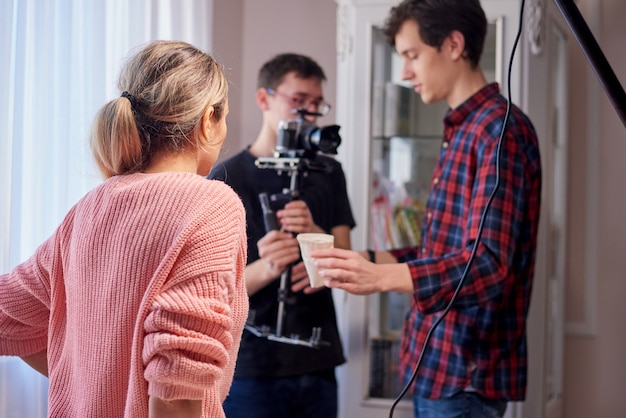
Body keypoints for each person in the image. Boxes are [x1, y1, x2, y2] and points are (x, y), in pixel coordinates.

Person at [311, 1, 542, 417]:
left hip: (464, 376)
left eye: (412, 56)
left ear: (454, 45)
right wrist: (361, 261)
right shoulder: (463, 127)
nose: (403, 73)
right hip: (434, 368)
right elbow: (442, 250)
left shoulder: (500, 130)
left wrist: (380, 277)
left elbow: (488, 265)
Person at [0, 40, 249, 418]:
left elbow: (8, 316)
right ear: (208, 120)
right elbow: (177, 387)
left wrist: (93, 383)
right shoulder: (212, 204)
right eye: (224, 115)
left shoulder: (90, 207)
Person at [208, 53, 355, 418]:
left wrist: (317, 238)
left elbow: (349, 262)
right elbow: (214, 293)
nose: (307, 114)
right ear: (264, 99)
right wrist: (270, 266)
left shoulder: (329, 173)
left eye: (316, 104)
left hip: (317, 359)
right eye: (298, 101)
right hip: (252, 368)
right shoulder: (225, 180)